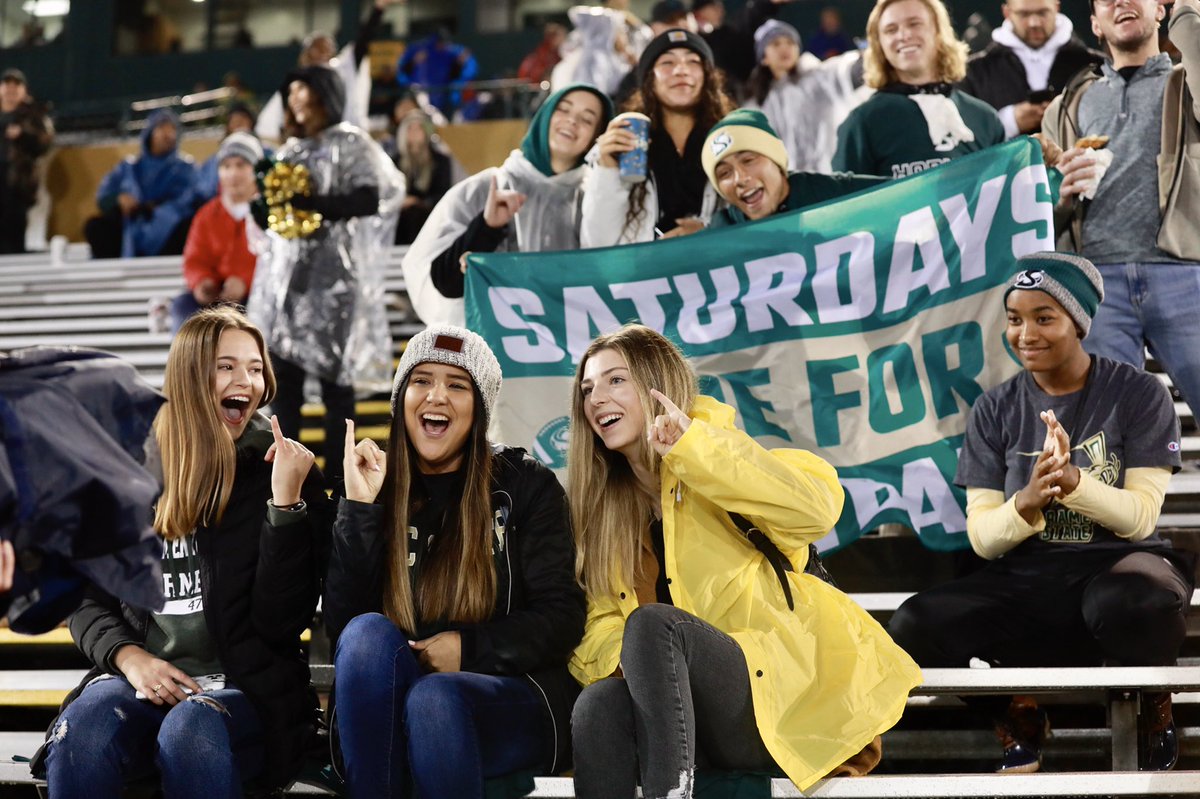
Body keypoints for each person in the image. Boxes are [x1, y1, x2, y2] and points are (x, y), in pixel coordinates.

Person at [567, 324, 923, 797]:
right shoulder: (604, 516)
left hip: (780, 703)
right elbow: (600, 624)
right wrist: (632, 661)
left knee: (652, 625)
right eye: (587, 388)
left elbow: (816, 509)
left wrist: (693, 448)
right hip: (683, 717)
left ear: (657, 383)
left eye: (615, 380)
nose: (596, 399)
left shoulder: (722, 452)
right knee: (599, 701)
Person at [888, 252, 1195, 773]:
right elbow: (984, 538)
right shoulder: (995, 407)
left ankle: (1151, 708)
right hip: (1028, 577)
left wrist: (1074, 482)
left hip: (1117, 565)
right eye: (1014, 319)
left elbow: (1141, 518)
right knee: (912, 624)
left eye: (1043, 318)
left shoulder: (1139, 392)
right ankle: (1019, 717)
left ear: (1078, 323)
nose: (1025, 333)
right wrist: (1026, 503)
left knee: (1141, 599)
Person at [34, 307, 331, 795]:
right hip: (143, 683)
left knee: (191, 730)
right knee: (82, 732)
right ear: (190, 378)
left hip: (246, 693)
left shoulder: (284, 472)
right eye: (226, 366)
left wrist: (285, 508)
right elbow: (83, 597)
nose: (247, 381)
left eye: (255, 368)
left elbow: (281, 621)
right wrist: (130, 658)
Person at [325, 325, 585, 799]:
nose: (436, 396)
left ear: (479, 410)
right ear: (401, 397)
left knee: (435, 698)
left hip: (506, 695)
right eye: (421, 380)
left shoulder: (526, 485)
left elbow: (562, 616)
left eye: (457, 385)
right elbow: (345, 636)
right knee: (365, 636)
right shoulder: (372, 482)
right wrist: (361, 512)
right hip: (392, 699)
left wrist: (468, 649)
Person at [1042, 0, 1200, 420]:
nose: (1121, 3)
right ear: (1095, 23)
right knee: (1107, 435)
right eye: (1106, 1)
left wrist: (1188, 14)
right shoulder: (1067, 105)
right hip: (1097, 285)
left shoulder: (1189, 83)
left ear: (1160, 11)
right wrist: (1060, 196)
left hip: (1186, 273)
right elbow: (1039, 209)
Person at [247, 65, 403, 485]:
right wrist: (264, 211)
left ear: (325, 96)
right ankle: (286, 482)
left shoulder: (352, 143)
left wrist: (312, 204)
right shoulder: (290, 151)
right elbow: (276, 218)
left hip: (335, 284)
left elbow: (371, 197)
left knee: (337, 391)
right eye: (292, 97)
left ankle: (339, 482)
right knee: (285, 392)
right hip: (290, 288)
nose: (298, 104)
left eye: (306, 95)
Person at [403, 83, 612, 327]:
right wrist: (486, 228)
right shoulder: (483, 189)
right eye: (563, 110)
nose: (572, 121)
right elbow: (443, 284)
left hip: (568, 359)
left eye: (587, 120)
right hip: (496, 355)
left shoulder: (597, 201)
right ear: (544, 117)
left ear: (597, 137)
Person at [581, 29, 735, 246]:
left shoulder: (733, 137)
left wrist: (710, 229)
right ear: (649, 79)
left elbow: (759, 215)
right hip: (645, 274)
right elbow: (598, 241)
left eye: (692, 62)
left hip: (716, 270)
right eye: (667, 63)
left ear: (707, 76)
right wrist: (607, 170)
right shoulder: (622, 141)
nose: (681, 70)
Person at [833, 0, 1004, 178]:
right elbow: (844, 203)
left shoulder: (984, 118)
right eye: (891, 30)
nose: (904, 35)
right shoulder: (861, 124)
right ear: (880, 45)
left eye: (914, 24)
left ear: (939, 31)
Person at [703, 109, 886, 227]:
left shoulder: (831, 194)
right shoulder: (722, 231)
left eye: (748, 160)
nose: (740, 179)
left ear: (777, 162)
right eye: (724, 173)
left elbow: (906, 197)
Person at [256, 0, 402, 142]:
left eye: (328, 49)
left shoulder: (340, 71)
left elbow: (362, 44)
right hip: (308, 147)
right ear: (305, 55)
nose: (323, 52)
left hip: (346, 144)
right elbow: (266, 130)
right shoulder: (296, 84)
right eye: (317, 48)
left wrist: (378, 9)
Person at [960, 0, 1103, 139]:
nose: (1034, 23)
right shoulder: (973, 71)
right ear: (1007, 12)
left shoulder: (1098, 64)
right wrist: (1010, 121)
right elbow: (961, 135)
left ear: (1056, 7)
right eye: (1024, 14)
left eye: (1042, 13)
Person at [171, 133, 265, 333]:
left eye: (241, 165)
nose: (233, 174)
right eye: (226, 166)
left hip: (257, 295)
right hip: (216, 297)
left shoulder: (269, 213)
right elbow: (195, 258)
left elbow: (275, 262)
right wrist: (202, 282)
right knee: (183, 308)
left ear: (256, 170)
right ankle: (188, 364)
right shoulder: (206, 215)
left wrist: (245, 282)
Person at [744, 20, 865, 173]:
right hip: (790, 187)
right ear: (764, 58)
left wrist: (870, 56)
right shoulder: (757, 104)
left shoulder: (818, 79)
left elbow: (849, 73)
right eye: (775, 44)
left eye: (790, 42)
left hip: (833, 177)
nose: (784, 47)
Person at [86, 109, 197, 259]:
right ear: (150, 132)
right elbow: (103, 198)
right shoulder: (129, 167)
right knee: (96, 227)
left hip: (169, 228)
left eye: (172, 129)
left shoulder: (186, 168)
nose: (168, 134)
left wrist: (158, 208)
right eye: (162, 128)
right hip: (131, 224)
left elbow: (191, 199)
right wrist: (119, 199)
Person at [383, 112, 456, 245]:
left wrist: (418, 202)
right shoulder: (394, 161)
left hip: (429, 215)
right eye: (410, 128)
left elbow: (443, 194)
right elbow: (389, 192)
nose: (414, 133)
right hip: (401, 216)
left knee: (416, 215)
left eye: (419, 128)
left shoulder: (440, 161)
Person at [0, 68, 52, 254]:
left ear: (24, 90)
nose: (11, 89)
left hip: (18, 181)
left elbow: (45, 142)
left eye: (17, 85)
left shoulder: (33, 114)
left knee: (14, 228)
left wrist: (23, 135)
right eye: (7, 84)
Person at [396, 28, 480, 119]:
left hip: (445, 96)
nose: (441, 45)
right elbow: (402, 70)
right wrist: (413, 62)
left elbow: (458, 74)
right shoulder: (420, 50)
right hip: (422, 95)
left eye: (443, 43)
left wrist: (459, 63)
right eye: (439, 43)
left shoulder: (450, 52)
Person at [194, 104, 263, 206]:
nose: (238, 123)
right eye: (234, 120)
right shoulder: (214, 160)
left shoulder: (267, 153)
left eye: (242, 118)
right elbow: (205, 190)